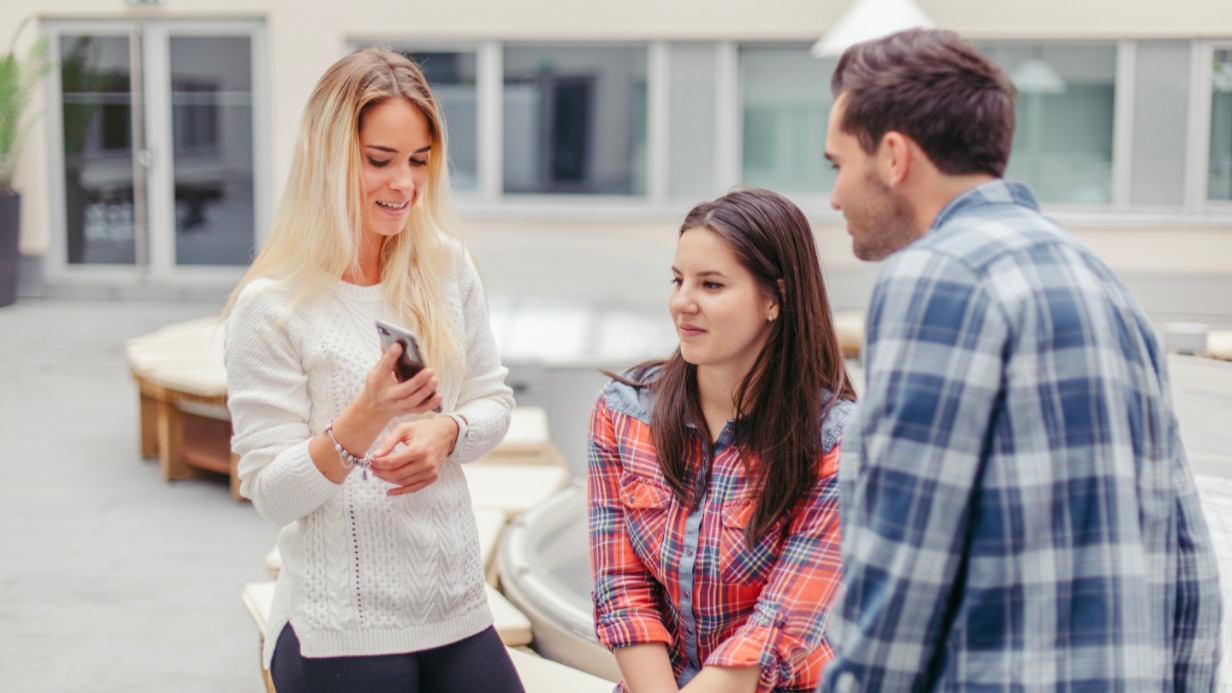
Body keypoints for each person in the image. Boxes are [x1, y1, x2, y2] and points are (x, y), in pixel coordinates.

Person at [819, 29, 1223, 691]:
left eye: (837, 164)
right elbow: (1188, 565)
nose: (833, 197)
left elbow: (902, 565)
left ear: (893, 156)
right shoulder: (1104, 285)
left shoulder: (938, 275)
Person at [223, 47, 522, 693]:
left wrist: (448, 433)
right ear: (327, 160)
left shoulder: (445, 266)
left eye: (419, 160)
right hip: (339, 623)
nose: (404, 183)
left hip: (454, 605)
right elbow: (270, 494)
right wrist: (365, 418)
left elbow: (494, 399)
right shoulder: (270, 306)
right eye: (379, 160)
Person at [587, 188, 858, 693]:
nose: (682, 302)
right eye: (678, 279)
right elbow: (621, 591)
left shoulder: (837, 441)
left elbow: (776, 628)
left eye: (711, 284)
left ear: (774, 298)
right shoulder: (623, 413)